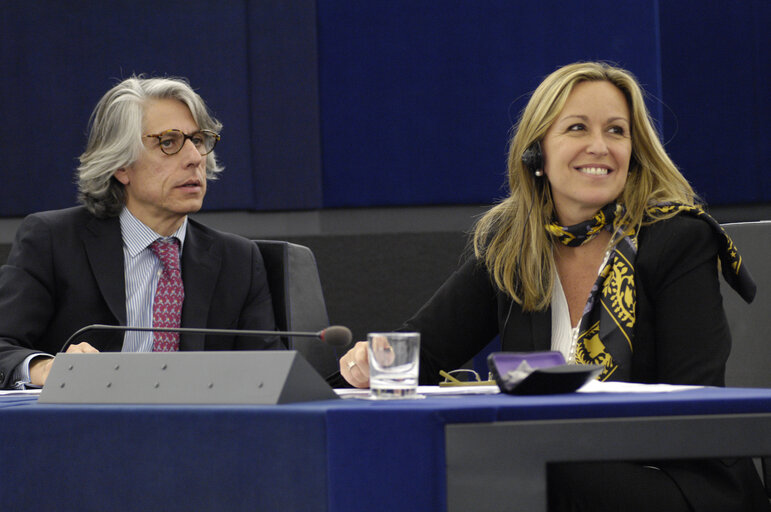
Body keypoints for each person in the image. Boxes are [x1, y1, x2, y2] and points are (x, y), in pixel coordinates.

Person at [338, 62, 768, 511]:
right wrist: (372, 362)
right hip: (554, 461)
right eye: (577, 128)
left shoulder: (677, 238)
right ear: (536, 154)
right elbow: (424, 351)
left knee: (519, 468)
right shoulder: (514, 246)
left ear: (635, 151)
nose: (599, 146)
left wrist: (560, 435)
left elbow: (690, 403)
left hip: (684, 481)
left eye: (617, 131)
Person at [0, 75, 281, 389]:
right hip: (87, 427)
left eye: (198, 141)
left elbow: (271, 378)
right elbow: (3, 346)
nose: (194, 159)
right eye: (168, 142)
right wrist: (47, 368)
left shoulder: (237, 260)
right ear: (121, 165)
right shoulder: (53, 241)